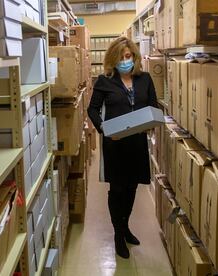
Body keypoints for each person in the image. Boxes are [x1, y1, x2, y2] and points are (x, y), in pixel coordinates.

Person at [87, 36, 158, 259]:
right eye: (120, 57)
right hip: (115, 144)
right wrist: (105, 130)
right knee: (117, 189)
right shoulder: (104, 81)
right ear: (113, 60)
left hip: (136, 143)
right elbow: (92, 110)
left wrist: (151, 124)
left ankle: (125, 226)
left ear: (134, 57)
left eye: (128, 56)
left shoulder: (145, 79)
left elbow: (153, 107)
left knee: (131, 188)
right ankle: (118, 234)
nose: (125, 61)